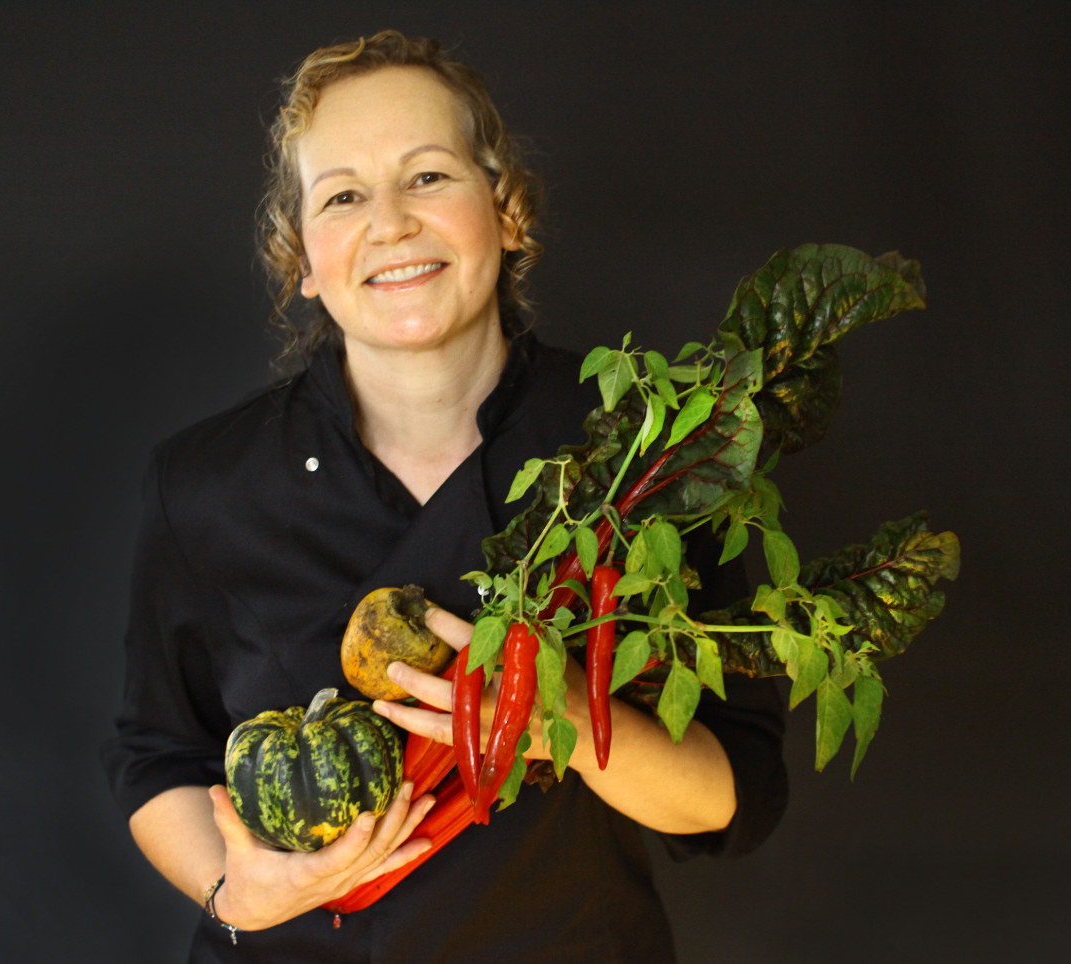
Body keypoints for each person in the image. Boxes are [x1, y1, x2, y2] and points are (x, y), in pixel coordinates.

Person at [101, 31, 788, 963]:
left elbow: (732, 794)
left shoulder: (644, 454)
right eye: (344, 195)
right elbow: (157, 758)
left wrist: (571, 722)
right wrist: (239, 897)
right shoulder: (205, 485)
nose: (390, 222)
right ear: (302, 256)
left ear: (507, 212)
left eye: (427, 177)